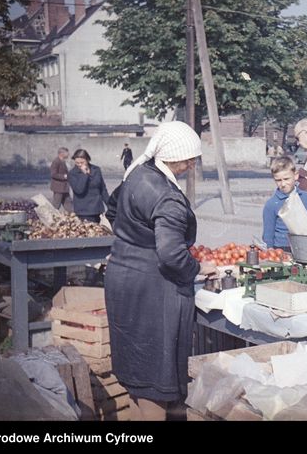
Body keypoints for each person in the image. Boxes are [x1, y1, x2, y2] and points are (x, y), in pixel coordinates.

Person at [104, 121, 217, 421]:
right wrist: (197, 266)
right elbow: (170, 255)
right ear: (176, 157)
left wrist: (134, 242)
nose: (192, 165)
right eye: (190, 159)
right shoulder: (167, 196)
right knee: (155, 380)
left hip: (121, 281)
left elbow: (112, 210)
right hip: (152, 293)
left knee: (135, 376)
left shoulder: (137, 174)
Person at [262, 156, 307, 251]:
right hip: (281, 248)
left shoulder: (305, 197)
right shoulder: (272, 204)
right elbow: (268, 234)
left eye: (286, 179)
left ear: (296, 175)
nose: (283, 184)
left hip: (304, 246)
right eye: (278, 180)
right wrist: (270, 250)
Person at [68, 149, 109, 223]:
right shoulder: (72, 173)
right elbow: (79, 190)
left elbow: (102, 189)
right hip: (84, 210)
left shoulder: (96, 170)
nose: (80, 165)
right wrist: (84, 174)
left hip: (97, 208)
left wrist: (110, 205)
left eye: (82, 162)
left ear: (87, 160)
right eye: (77, 163)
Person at [49, 147, 73, 212]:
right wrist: (64, 176)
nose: (68, 154)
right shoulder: (56, 161)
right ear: (61, 153)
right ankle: (50, 218)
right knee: (56, 205)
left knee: (68, 204)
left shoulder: (62, 161)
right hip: (58, 188)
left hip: (64, 188)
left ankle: (73, 216)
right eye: (67, 153)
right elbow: (53, 174)